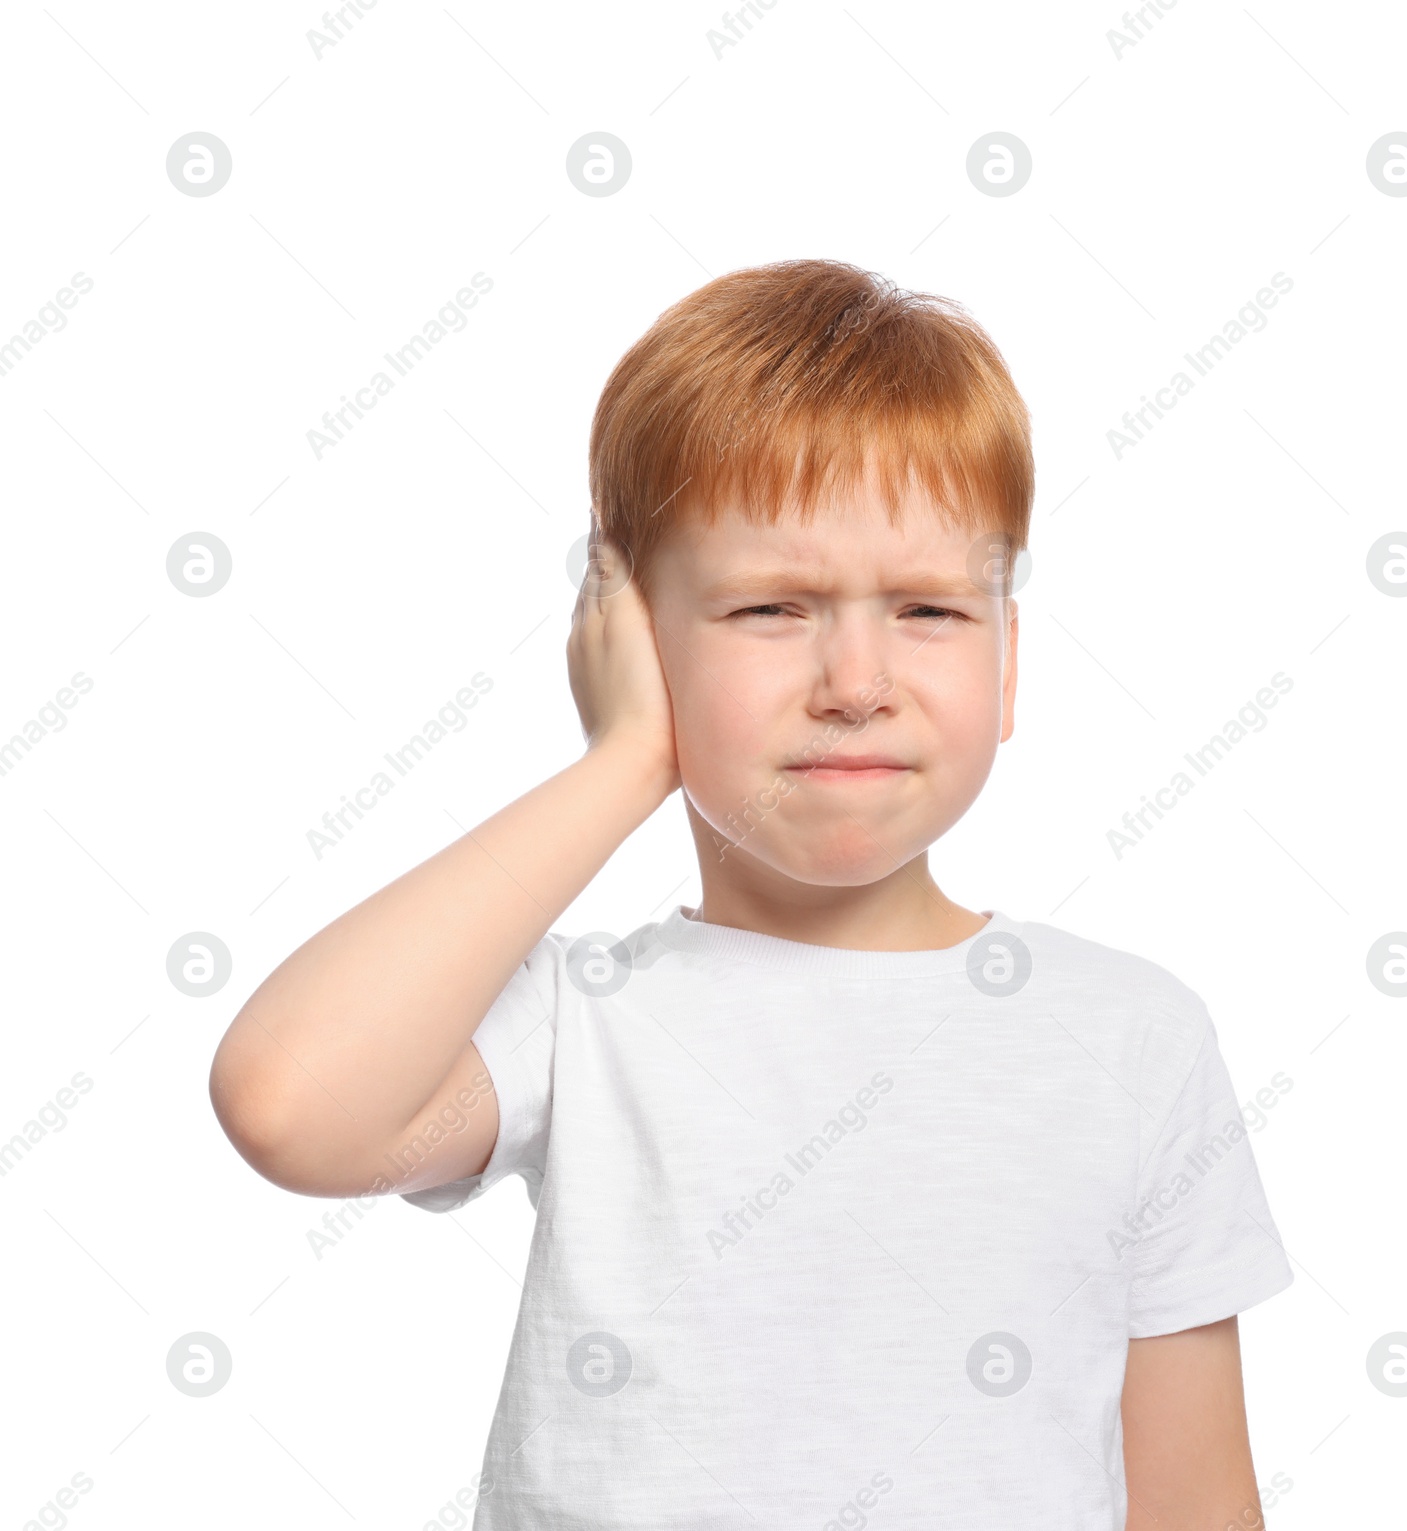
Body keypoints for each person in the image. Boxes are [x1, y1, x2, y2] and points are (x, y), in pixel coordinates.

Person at [209, 257, 1293, 1530]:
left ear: (1008, 667)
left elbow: (1195, 1499)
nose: (855, 678)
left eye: (932, 609)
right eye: (770, 605)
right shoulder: (581, 1017)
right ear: (630, 644)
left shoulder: (1134, 1037)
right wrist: (621, 764)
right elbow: (290, 1107)